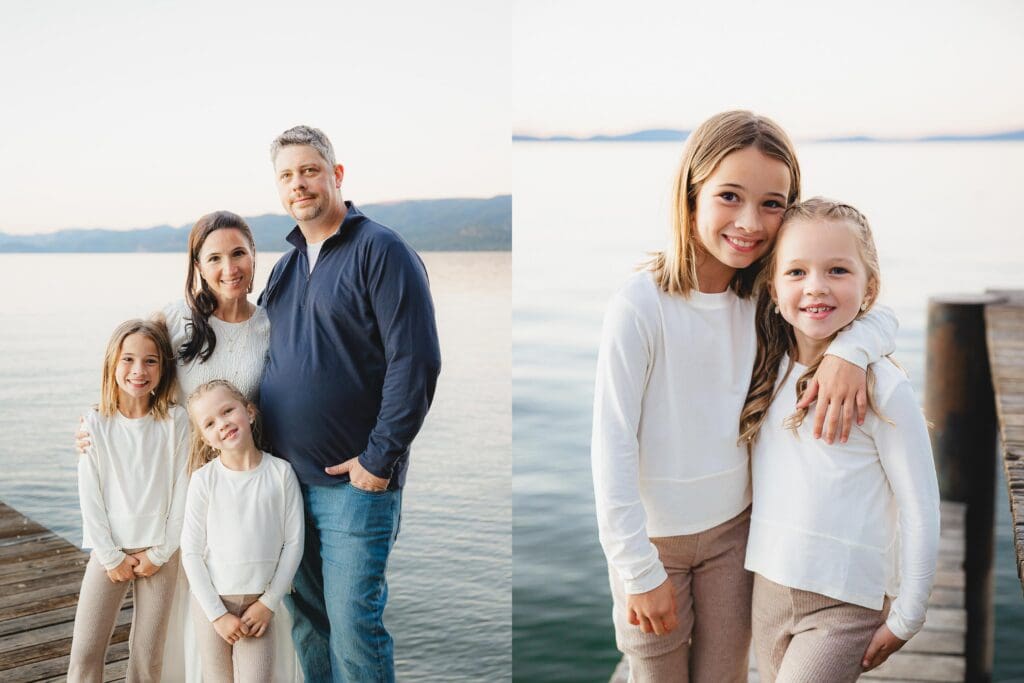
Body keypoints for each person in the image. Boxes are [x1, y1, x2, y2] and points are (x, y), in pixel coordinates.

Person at [590, 111, 898, 682]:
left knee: (725, 673)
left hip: (737, 535)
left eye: (773, 203)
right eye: (729, 196)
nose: (750, 222)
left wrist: (851, 352)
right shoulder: (640, 306)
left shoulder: (766, 299)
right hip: (653, 545)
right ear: (690, 197)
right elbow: (610, 449)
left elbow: (878, 314)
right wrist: (638, 571)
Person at [258, 124, 442, 682]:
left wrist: (378, 461)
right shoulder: (285, 268)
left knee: (355, 629)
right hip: (286, 483)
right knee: (309, 624)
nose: (300, 183)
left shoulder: (380, 250)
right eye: (287, 176)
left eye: (310, 170)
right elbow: (252, 355)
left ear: (336, 175)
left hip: (353, 487)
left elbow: (416, 362)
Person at [738, 198, 940, 681]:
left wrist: (909, 614)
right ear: (772, 283)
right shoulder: (765, 361)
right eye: (797, 272)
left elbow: (920, 505)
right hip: (768, 586)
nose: (816, 287)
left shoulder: (882, 386)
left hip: (845, 600)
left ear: (869, 288)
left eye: (837, 270)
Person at [69, 319, 189, 682]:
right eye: (129, 359)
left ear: (163, 368)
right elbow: (90, 496)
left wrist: (160, 553)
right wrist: (109, 556)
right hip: (109, 553)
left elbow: (182, 490)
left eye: (151, 361)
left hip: (160, 554)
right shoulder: (95, 423)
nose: (139, 371)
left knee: (148, 657)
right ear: (112, 363)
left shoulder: (175, 421)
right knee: (85, 653)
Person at [181, 379, 304, 682]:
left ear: (249, 412)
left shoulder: (280, 473)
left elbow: (294, 543)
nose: (222, 424)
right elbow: (192, 552)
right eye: (209, 423)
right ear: (207, 439)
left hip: (258, 605)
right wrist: (217, 615)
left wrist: (269, 602)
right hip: (213, 602)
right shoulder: (204, 480)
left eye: (227, 411)